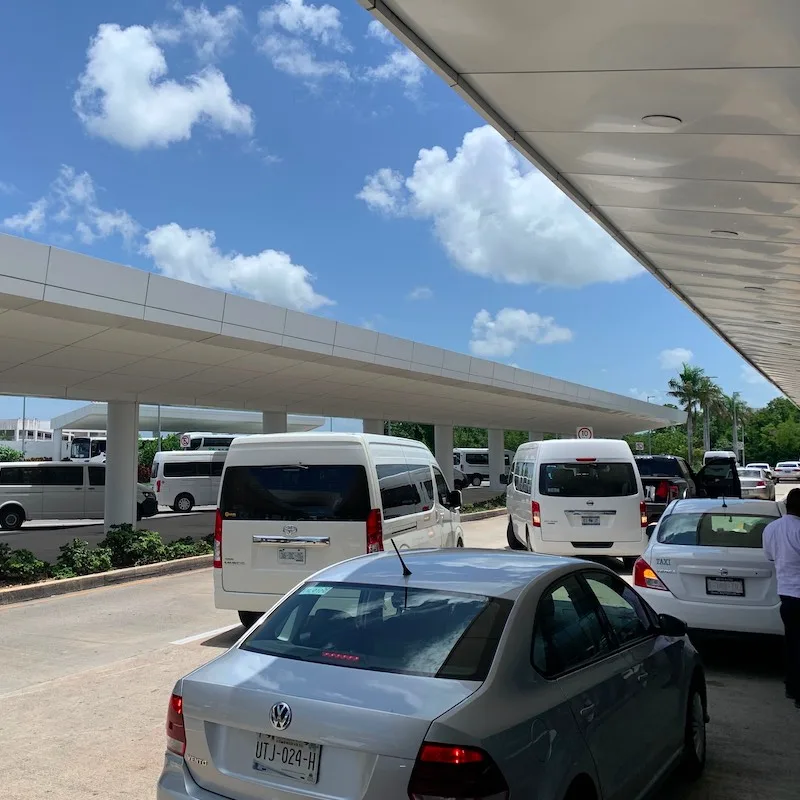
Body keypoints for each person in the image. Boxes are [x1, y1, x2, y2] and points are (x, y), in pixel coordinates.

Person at [763, 488, 800, 708]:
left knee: (793, 642)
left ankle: (792, 686)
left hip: (786, 594)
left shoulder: (772, 529)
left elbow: (769, 555)